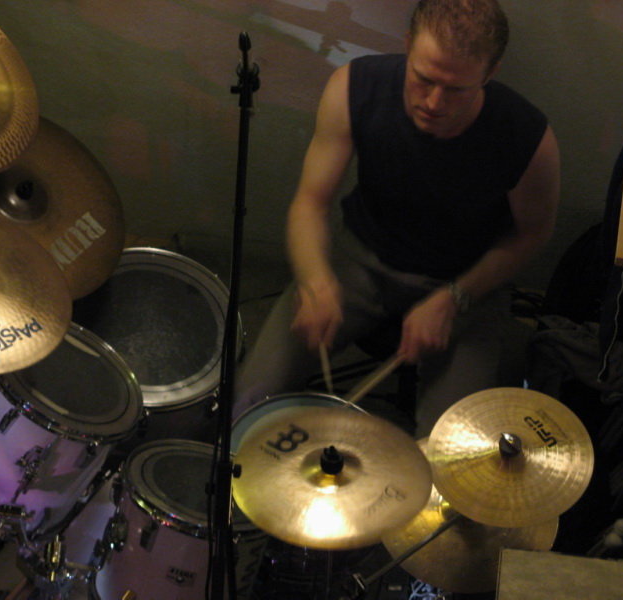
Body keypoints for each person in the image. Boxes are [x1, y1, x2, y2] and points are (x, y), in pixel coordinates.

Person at [234, 0, 560, 438]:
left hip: (466, 281)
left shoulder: (527, 137)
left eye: (456, 89)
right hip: (362, 256)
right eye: (423, 78)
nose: (434, 102)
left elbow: (532, 234)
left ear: (489, 73)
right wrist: (314, 280)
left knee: (453, 452)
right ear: (407, 46)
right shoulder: (354, 87)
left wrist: (456, 297)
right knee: (249, 404)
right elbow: (310, 203)